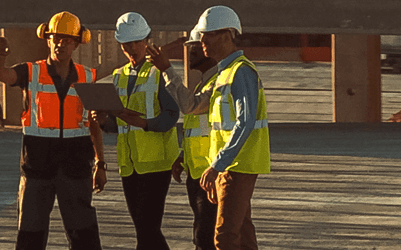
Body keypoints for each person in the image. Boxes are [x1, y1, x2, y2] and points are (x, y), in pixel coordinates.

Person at [0, 11, 107, 250]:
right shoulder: (30, 72)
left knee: (84, 237)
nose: (59, 43)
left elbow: (94, 125)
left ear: (76, 43)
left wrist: (100, 163)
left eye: (66, 39)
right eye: (55, 38)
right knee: (30, 236)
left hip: (75, 169)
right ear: (47, 39)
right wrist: (0, 55)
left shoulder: (87, 76)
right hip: (37, 170)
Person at [166, 5, 271, 249]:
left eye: (207, 35)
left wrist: (218, 165)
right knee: (243, 235)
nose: (201, 41)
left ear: (226, 35)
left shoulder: (241, 72)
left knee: (224, 237)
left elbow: (245, 122)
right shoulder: (225, 73)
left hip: (238, 165)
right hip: (230, 166)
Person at [91, 12, 180, 250]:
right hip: (129, 164)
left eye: (136, 42)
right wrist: (103, 122)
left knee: (147, 228)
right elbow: (119, 125)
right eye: (126, 44)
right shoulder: (119, 76)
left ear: (146, 40)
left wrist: (145, 124)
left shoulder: (158, 72)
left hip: (156, 163)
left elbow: (172, 115)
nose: (131, 48)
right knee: (144, 230)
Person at [169, 41, 222, 250]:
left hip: (210, 174)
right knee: (202, 234)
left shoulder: (217, 83)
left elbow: (189, 106)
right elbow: (199, 129)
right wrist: (183, 156)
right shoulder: (203, 83)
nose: (191, 51)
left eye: (197, 46)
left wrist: (167, 70)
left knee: (206, 237)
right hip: (196, 172)